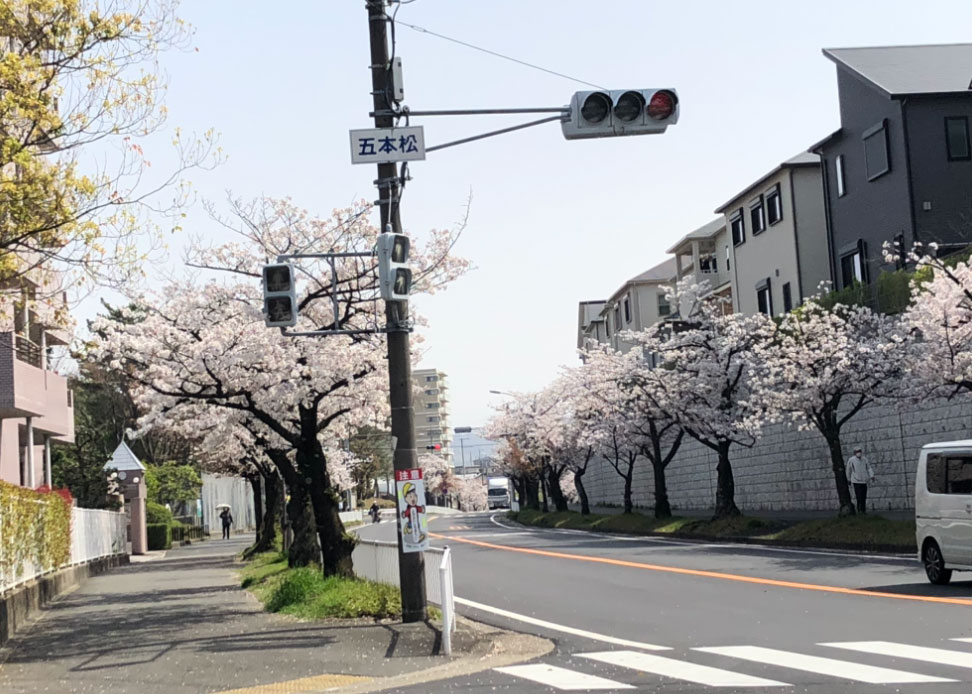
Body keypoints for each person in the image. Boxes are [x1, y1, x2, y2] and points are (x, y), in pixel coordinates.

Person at [846, 446, 876, 514]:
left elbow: (868, 468)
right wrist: (848, 479)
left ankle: (863, 510)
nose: (859, 453)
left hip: (864, 480)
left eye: (860, 451)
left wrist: (872, 475)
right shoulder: (851, 460)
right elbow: (848, 470)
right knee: (859, 496)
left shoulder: (864, 459)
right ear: (854, 453)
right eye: (857, 451)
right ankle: (859, 509)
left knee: (863, 496)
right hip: (856, 480)